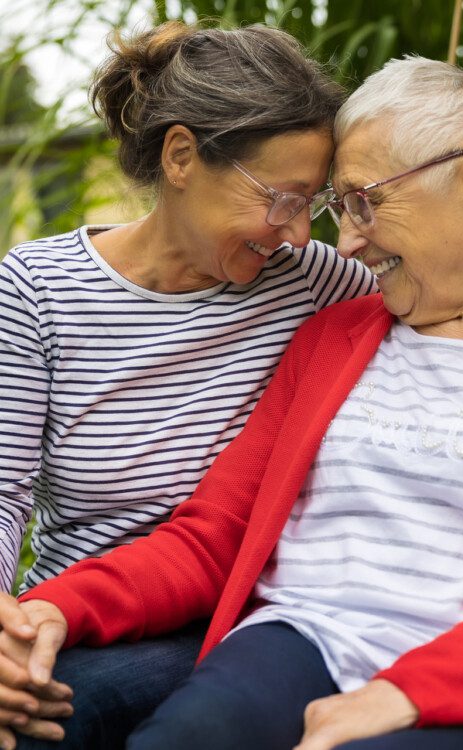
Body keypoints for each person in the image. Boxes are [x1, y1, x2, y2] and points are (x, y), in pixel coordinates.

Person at [3, 55, 463, 750]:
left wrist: (410, 689)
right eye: (337, 207)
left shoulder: (332, 287)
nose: (342, 240)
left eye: (364, 201)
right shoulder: (334, 334)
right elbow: (214, 530)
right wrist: (54, 605)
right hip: (298, 639)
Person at [0, 19, 375, 749]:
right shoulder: (36, 291)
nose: (297, 234)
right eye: (281, 198)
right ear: (181, 156)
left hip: (237, 613)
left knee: (50, 717)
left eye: (312, 203)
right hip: (76, 607)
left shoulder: (320, 285)